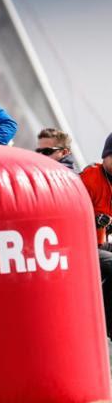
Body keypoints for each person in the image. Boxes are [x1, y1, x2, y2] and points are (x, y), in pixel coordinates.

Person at [79, 132, 112, 338]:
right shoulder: (91, 176)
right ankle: (106, 323)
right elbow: (72, 211)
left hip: (100, 244)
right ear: (105, 156)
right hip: (82, 244)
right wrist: (95, 218)